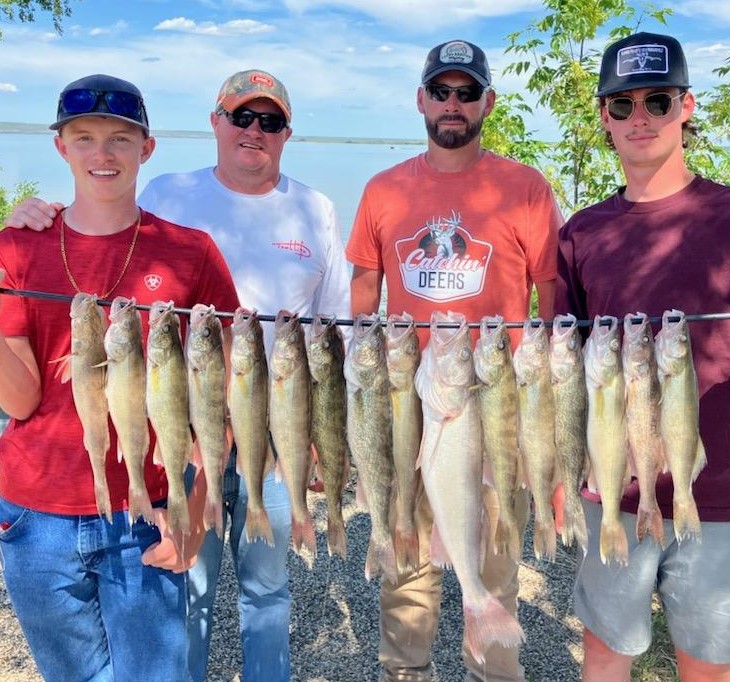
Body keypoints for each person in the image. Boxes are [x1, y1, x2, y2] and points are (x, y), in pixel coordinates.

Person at [5, 68, 351, 682]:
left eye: (269, 120)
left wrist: (319, 441)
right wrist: (26, 214)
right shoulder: (32, 241)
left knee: (259, 596)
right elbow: (24, 395)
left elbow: (317, 337)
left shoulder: (288, 217)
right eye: (241, 116)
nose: (103, 154)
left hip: (229, 453)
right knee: (155, 615)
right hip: (82, 484)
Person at [0, 73, 239, 681]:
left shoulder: (191, 251)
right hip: (35, 513)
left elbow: (222, 401)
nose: (101, 153)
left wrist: (196, 511)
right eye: (83, 137)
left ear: (147, 149)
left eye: (120, 139)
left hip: (148, 509)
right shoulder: (17, 247)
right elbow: (21, 401)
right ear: (61, 147)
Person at [346, 40, 562, 682]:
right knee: (407, 567)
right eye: (441, 91)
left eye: (467, 93)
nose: (453, 104)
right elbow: (365, 283)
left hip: (495, 399)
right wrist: (363, 363)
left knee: (493, 556)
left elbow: (549, 293)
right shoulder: (383, 189)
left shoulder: (526, 187)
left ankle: (491, 666)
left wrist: (546, 387)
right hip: (406, 398)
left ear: (487, 103)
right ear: (421, 100)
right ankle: (405, 671)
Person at [555, 31, 730, 682]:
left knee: (708, 665)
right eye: (623, 104)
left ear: (686, 106)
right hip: (614, 485)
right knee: (606, 651)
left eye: (658, 101)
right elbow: (566, 366)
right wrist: (561, 473)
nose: (641, 118)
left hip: (718, 486)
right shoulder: (582, 232)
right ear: (604, 116)